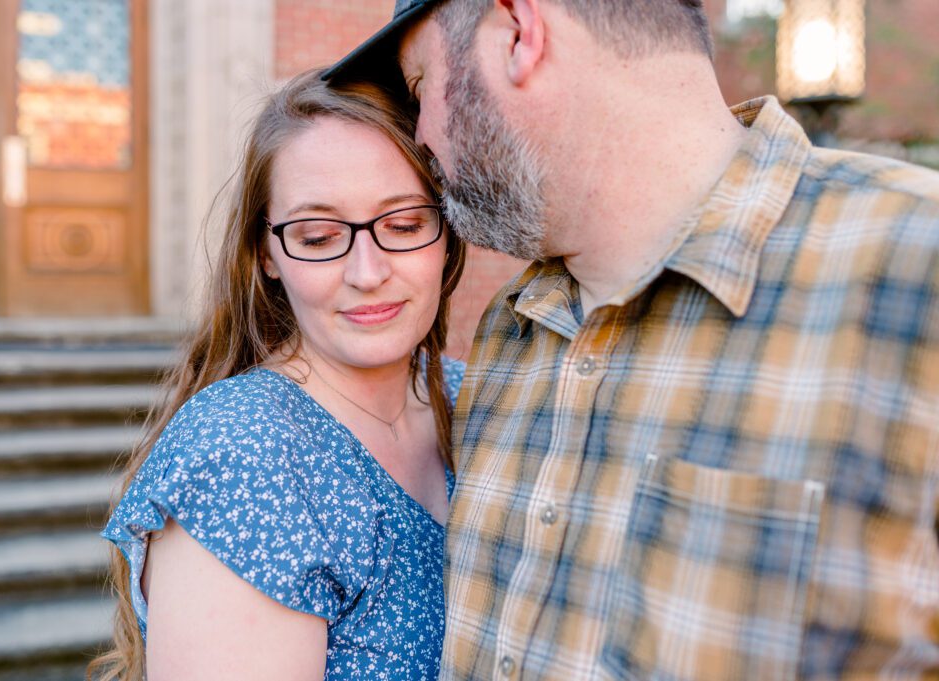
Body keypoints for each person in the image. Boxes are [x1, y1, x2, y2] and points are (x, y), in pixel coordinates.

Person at [325, 0, 939, 679]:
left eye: (419, 90)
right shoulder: (512, 328)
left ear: (520, 33)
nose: (422, 138)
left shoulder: (918, 264)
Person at [88, 70, 466, 681]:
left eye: (403, 225)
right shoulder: (249, 452)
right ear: (266, 253)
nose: (367, 272)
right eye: (318, 237)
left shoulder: (480, 399)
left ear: (446, 234)